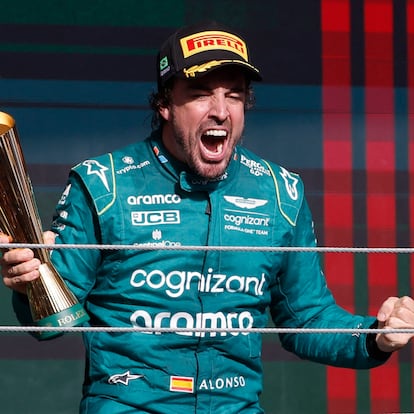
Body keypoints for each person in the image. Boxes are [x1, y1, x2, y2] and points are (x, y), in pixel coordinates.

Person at [1, 20, 414, 414]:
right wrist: (29, 280)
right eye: (200, 93)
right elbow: (50, 321)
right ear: (164, 103)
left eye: (233, 95)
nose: (220, 111)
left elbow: (307, 320)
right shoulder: (103, 184)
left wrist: (375, 337)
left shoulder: (279, 192)